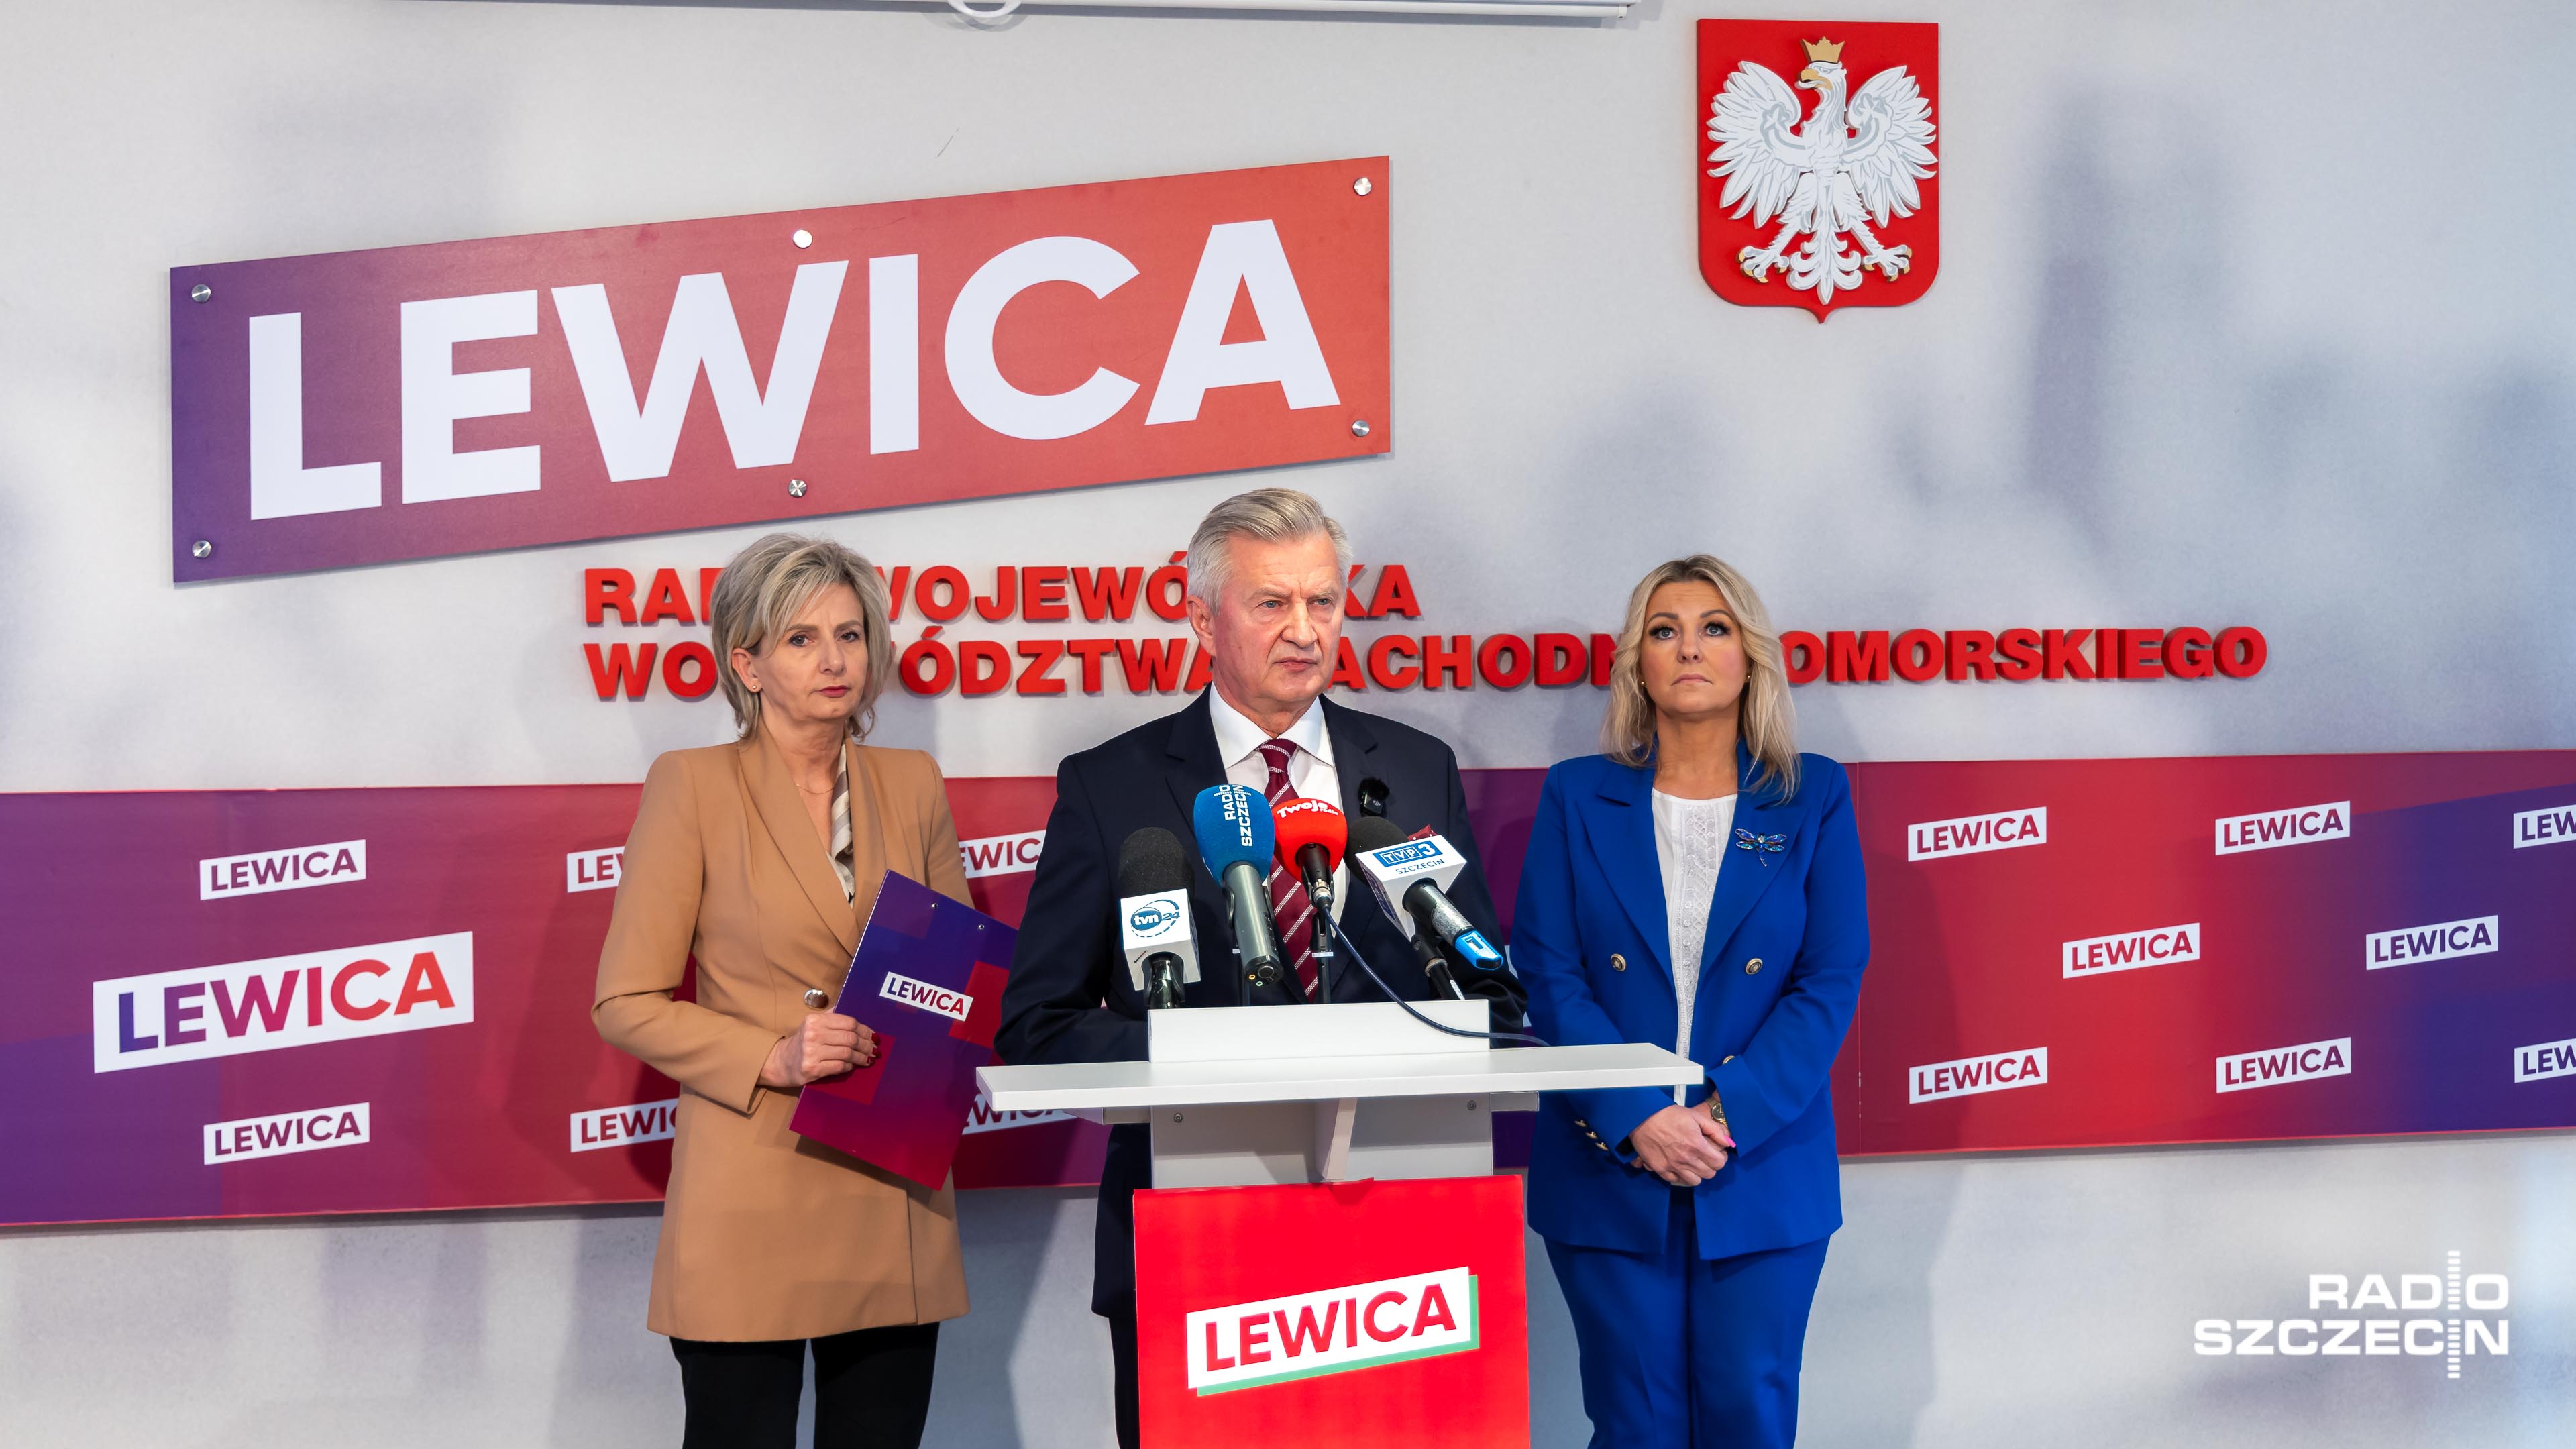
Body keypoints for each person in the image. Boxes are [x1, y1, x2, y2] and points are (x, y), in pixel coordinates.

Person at [995, 487, 1525, 1449]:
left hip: (1402, 1235)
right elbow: (1038, 1024)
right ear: (1203, 618)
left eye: (1322, 601)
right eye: (1271, 603)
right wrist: (1202, 1056)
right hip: (1195, 1235)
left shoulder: (1415, 770)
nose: (1304, 630)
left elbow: (1478, 996)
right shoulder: (1112, 787)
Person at [593, 533, 972, 1449]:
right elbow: (624, 1001)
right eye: (801, 639)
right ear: (747, 664)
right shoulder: (691, 786)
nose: (834, 660)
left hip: (890, 1183)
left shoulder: (913, 782)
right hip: (751, 1187)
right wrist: (773, 1054)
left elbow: (954, 973)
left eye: (850, 634)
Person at [1513, 555, 1868, 1449]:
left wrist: (1722, 1114)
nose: (1690, 648)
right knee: (1635, 1422)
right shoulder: (1575, 794)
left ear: (1750, 655)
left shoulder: (1814, 794)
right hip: (1606, 1162)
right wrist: (1638, 1114)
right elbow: (1550, 973)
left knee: (1751, 1414)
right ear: (1638, 661)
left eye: (1714, 628)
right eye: (1663, 630)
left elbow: (1828, 979)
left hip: (1759, 1164)